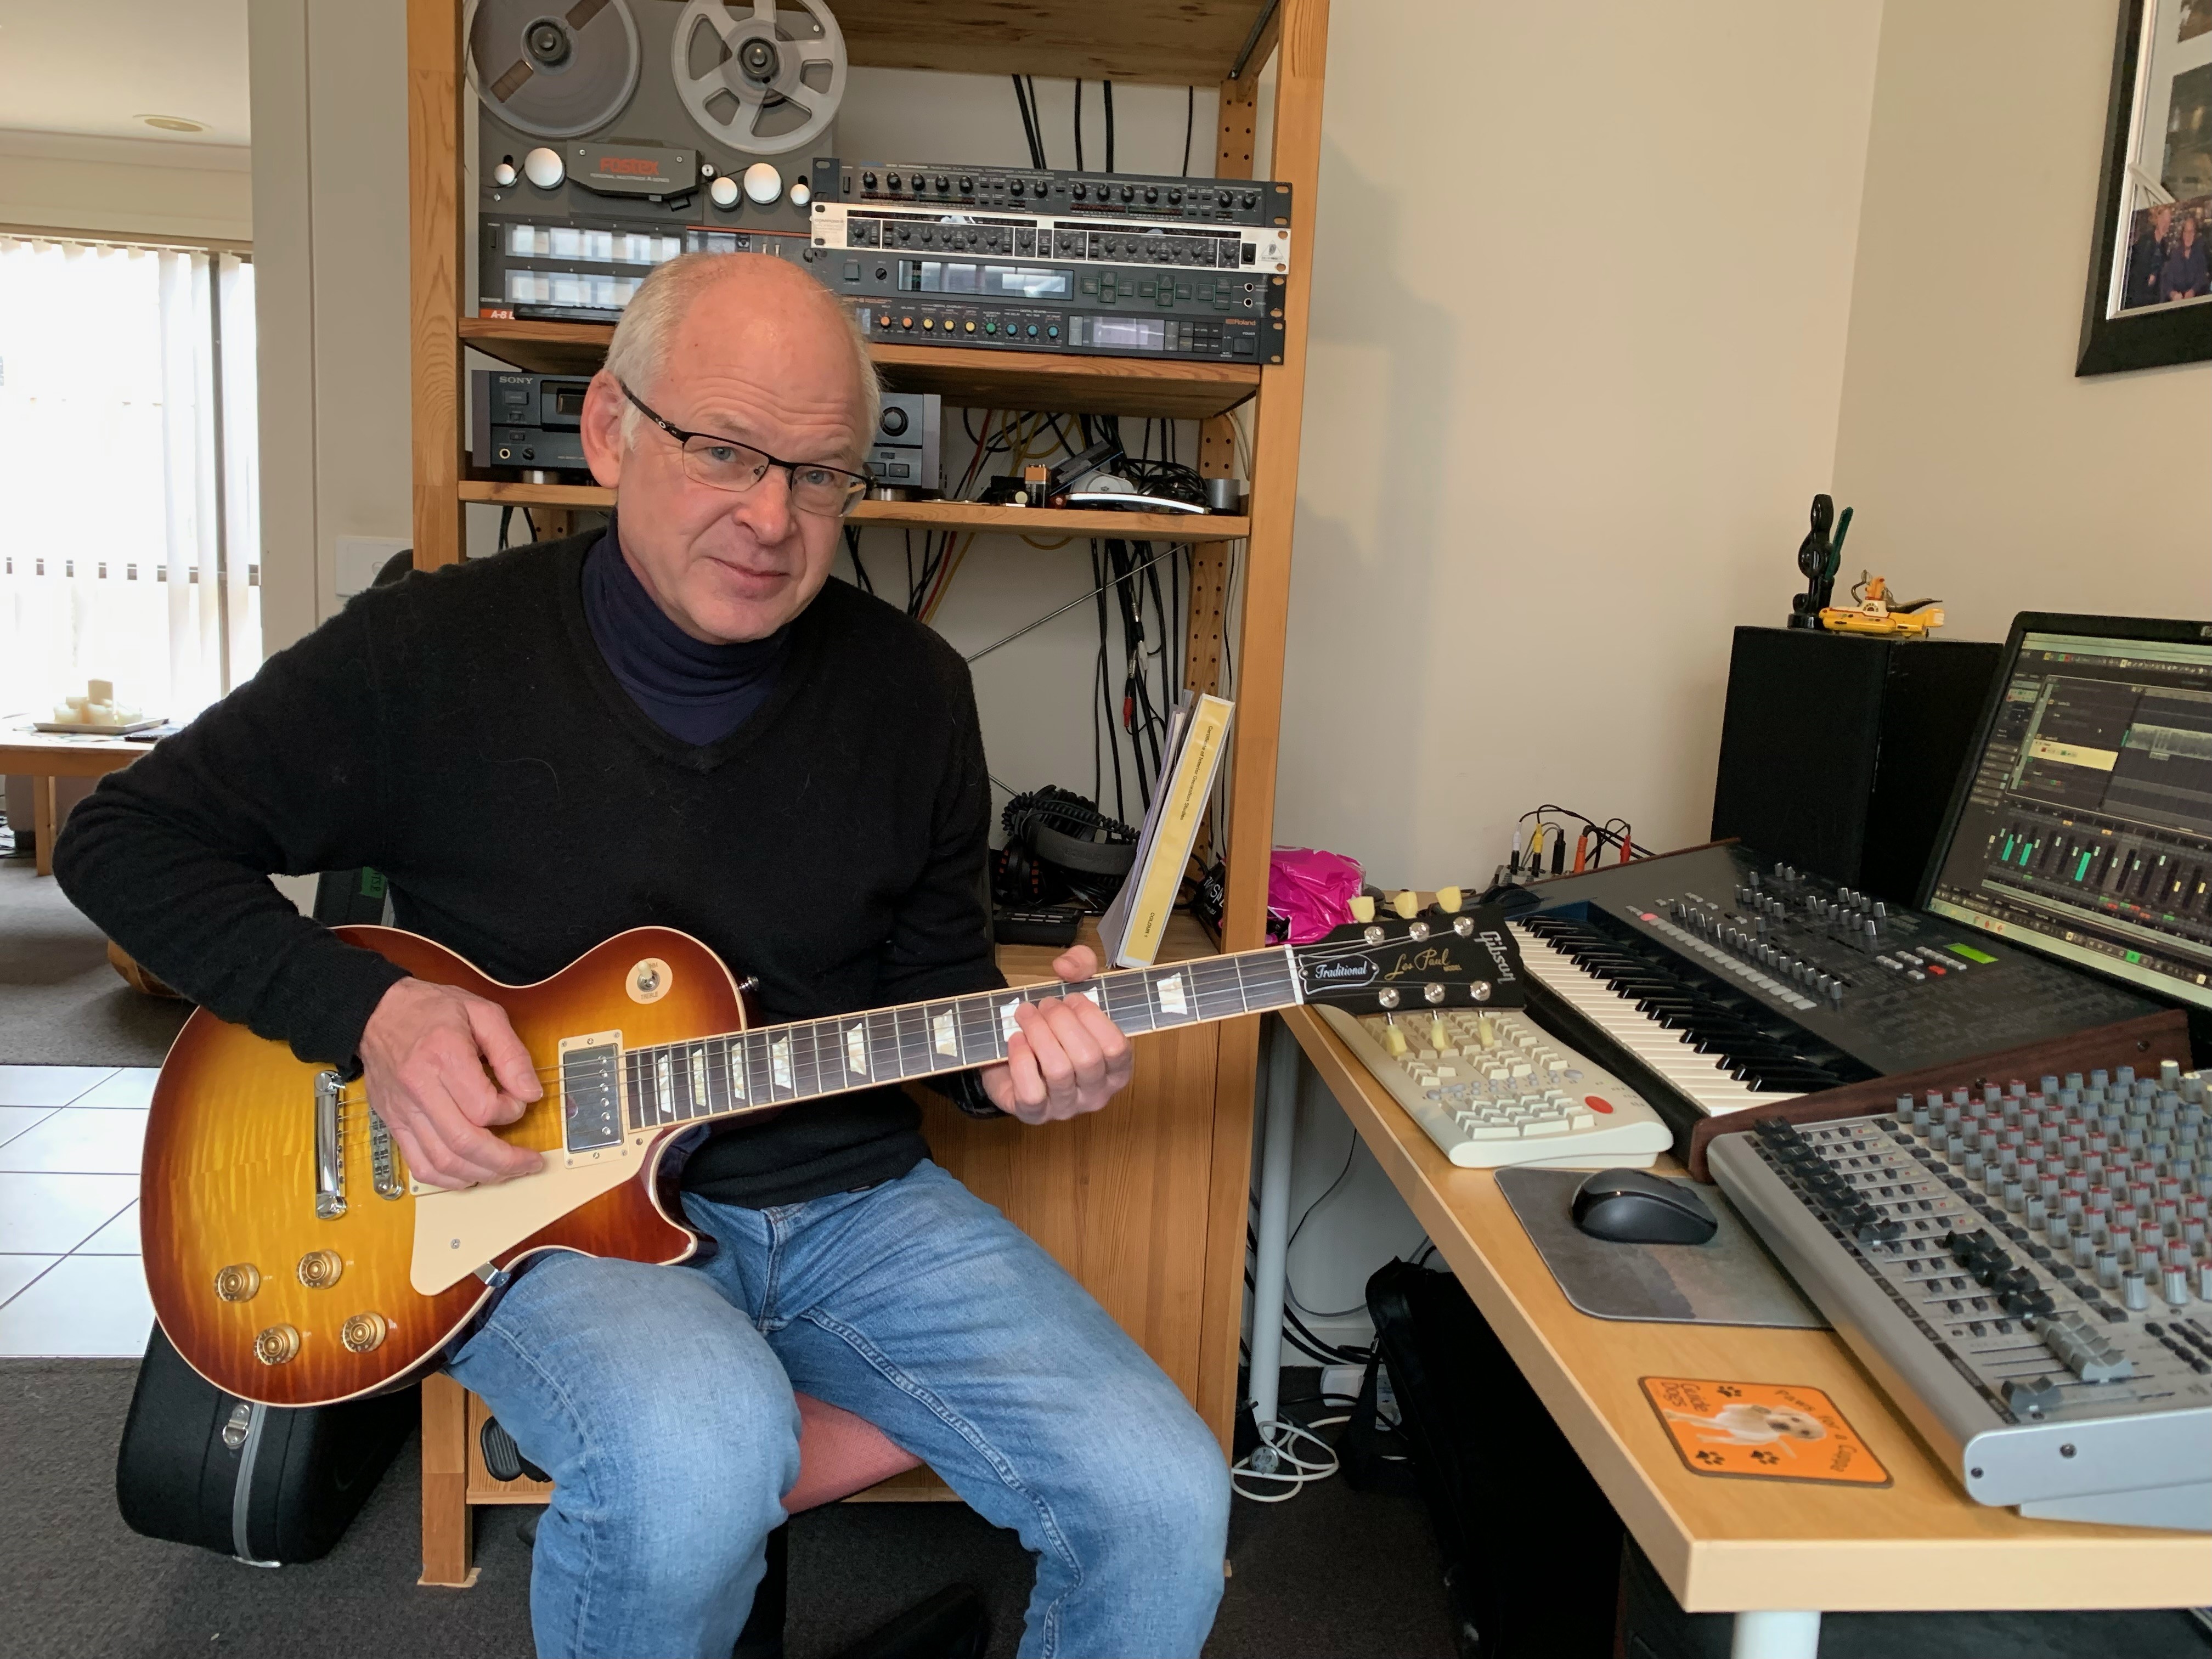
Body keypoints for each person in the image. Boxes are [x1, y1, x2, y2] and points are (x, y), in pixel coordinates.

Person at [54, 253, 1230, 1659]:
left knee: (1164, 1496)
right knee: (693, 1457)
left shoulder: (913, 691)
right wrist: (377, 1014)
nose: (772, 519)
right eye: (724, 450)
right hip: (523, 1206)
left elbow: (935, 996)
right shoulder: (429, 651)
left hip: (852, 1206)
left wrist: (1018, 1069)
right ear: (611, 429)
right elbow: (122, 838)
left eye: (819, 475)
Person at [2125, 203, 2172, 309]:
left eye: (2168, 221)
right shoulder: (2145, 240)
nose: (2166, 225)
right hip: (2139, 296)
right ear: (2157, 219)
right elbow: (2137, 271)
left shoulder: (2164, 245)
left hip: (2153, 298)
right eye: (2163, 220)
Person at [2162, 210, 2209, 301]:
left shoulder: (2200, 255)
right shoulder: (2175, 255)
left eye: (2191, 232)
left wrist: (2193, 291)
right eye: (2186, 232)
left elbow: (2203, 278)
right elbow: (2167, 282)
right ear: (2182, 234)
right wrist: (2172, 294)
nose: (2188, 236)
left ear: (2195, 235)